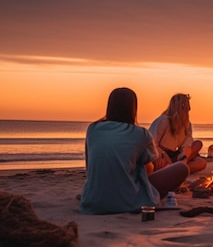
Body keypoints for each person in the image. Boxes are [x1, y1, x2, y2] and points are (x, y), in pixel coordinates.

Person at [80, 87, 189, 215]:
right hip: (128, 202)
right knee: (182, 168)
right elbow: (150, 166)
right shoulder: (139, 133)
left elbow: (90, 165)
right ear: (133, 108)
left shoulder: (92, 129)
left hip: (92, 202)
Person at [149, 93, 207, 174]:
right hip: (161, 154)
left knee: (200, 159)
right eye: (186, 109)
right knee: (160, 164)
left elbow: (188, 141)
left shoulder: (186, 124)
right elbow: (151, 142)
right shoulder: (163, 121)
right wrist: (161, 156)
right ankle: (175, 169)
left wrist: (184, 155)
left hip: (176, 156)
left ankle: (176, 167)